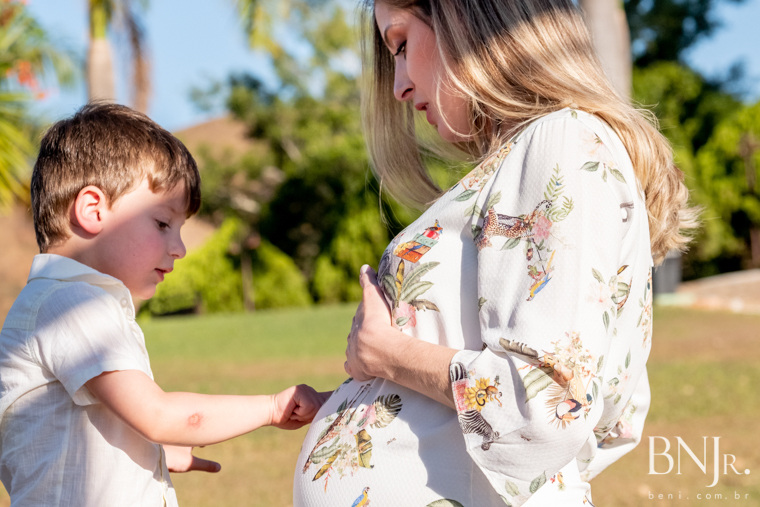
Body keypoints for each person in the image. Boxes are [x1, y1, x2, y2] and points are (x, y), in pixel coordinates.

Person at [294, 0, 698, 506]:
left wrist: (388, 353)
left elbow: (548, 404)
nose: (398, 87)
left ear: (464, 17)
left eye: (400, 45)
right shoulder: (528, 155)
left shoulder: (561, 138)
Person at [0, 103, 329, 507]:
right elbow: (159, 415)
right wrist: (274, 407)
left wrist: (145, 453)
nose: (180, 248)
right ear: (92, 210)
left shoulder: (55, 301)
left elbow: (64, 433)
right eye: (162, 224)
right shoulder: (72, 303)